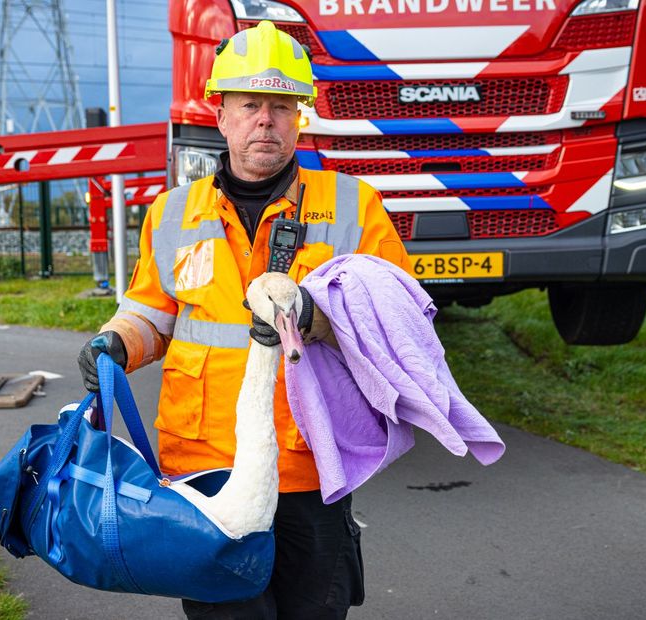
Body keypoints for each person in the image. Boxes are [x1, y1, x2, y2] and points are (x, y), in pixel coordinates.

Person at [77, 20, 409, 619]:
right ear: (221, 113)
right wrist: (115, 345)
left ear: (300, 117)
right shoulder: (172, 213)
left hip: (310, 467)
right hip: (207, 473)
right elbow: (151, 314)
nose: (266, 121)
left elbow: (394, 319)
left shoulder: (354, 207)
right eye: (251, 105)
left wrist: (315, 316)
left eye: (282, 107)